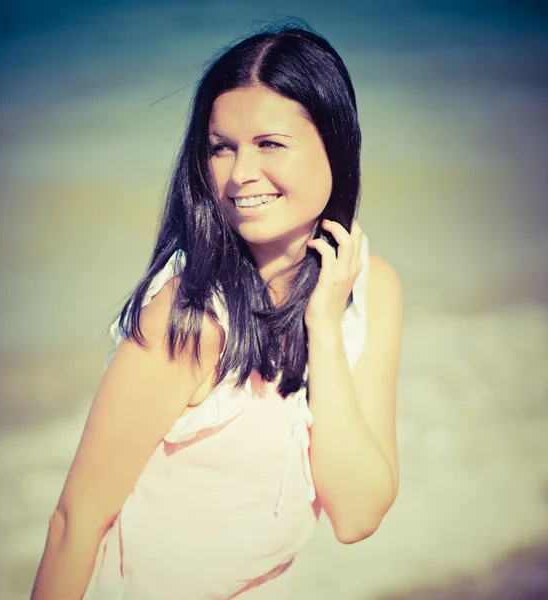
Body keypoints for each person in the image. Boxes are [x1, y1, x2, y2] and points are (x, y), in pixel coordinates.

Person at [31, 21, 402, 600]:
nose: (239, 174)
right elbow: (76, 523)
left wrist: (324, 328)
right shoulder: (192, 319)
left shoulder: (369, 290)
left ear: (337, 143)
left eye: (270, 144)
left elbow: (357, 514)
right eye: (220, 147)